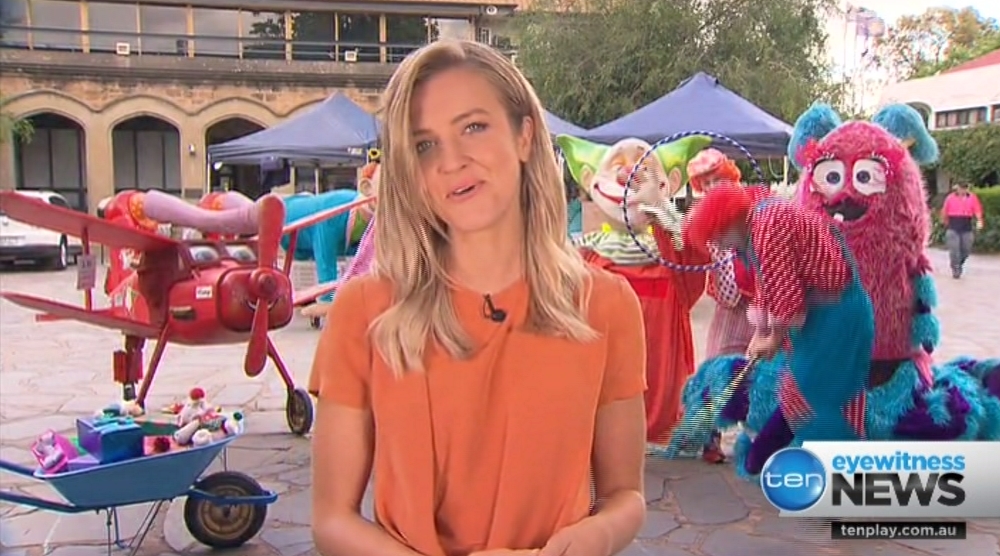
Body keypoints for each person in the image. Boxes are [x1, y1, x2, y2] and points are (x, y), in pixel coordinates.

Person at [309, 40, 646, 556]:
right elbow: (332, 520)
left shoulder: (607, 306)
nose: (452, 161)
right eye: (424, 145)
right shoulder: (365, 311)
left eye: (472, 127)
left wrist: (592, 538)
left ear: (524, 135)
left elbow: (626, 496)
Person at [684, 184, 875, 446]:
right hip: (826, 312)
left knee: (818, 393)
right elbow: (769, 284)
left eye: (716, 237)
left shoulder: (768, 224)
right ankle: (823, 451)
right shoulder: (759, 224)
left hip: (837, 312)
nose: (718, 245)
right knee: (804, 391)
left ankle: (832, 456)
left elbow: (785, 290)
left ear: (727, 223)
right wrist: (761, 333)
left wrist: (773, 338)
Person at [940, 183, 985, 278]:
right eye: (961, 188)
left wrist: (979, 220)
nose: (963, 190)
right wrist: (944, 222)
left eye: (965, 188)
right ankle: (956, 268)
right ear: (957, 188)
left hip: (966, 226)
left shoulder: (972, 198)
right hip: (953, 226)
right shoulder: (950, 198)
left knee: (966, 249)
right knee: (954, 250)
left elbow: (977, 210)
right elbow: (944, 210)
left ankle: (959, 263)